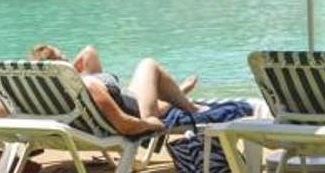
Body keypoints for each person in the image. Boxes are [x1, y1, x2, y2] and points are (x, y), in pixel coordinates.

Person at [28, 44, 205, 135]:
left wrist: (68, 71)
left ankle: (177, 94)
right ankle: (190, 106)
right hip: (135, 109)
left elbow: (88, 52)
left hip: (105, 103)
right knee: (148, 64)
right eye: (64, 56)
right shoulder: (88, 86)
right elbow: (124, 125)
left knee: (90, 54)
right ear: (61, 65)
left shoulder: (43, 91)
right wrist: (150, 122)